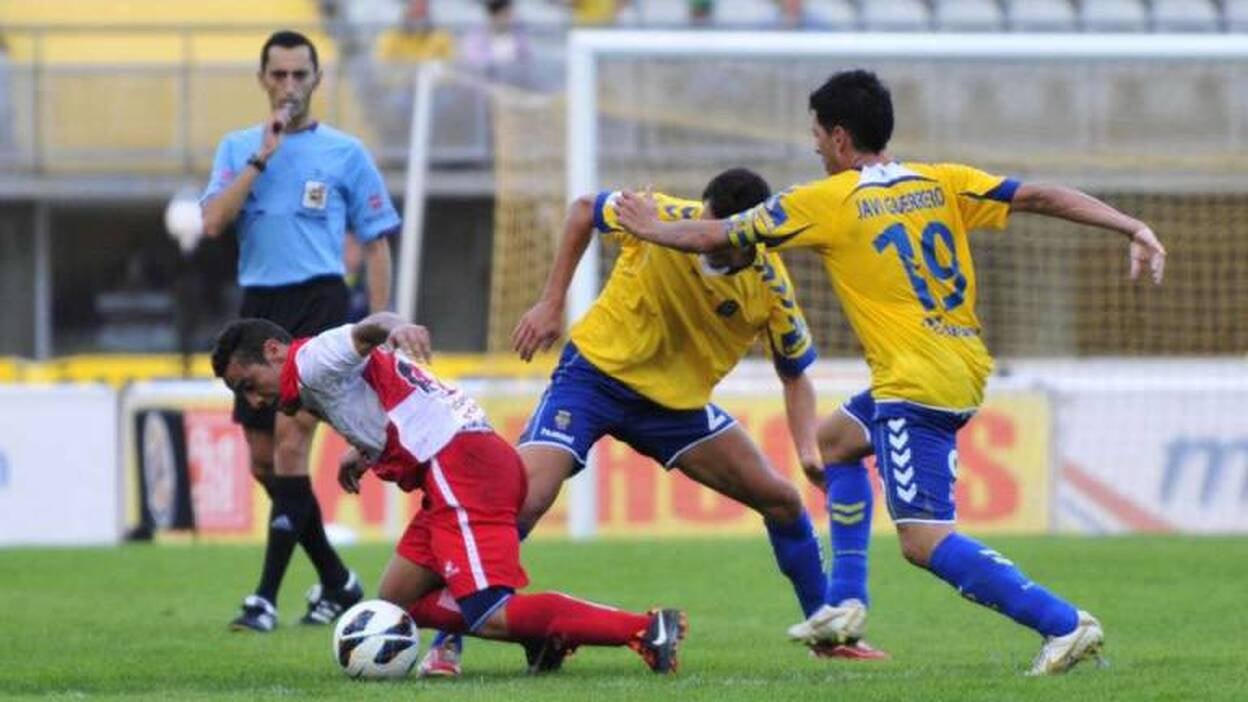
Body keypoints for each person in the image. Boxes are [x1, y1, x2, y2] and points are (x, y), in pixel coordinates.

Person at [614, 69, 1167, 675]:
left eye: (817, 136)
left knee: (922, 540)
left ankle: (1063, 623)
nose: (816, 148)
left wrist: (650, 227)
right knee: (832, 443)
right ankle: (846, 601)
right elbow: (1038, 196)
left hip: (915, 385)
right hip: (959, 364)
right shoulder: (941, 180)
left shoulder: (827, 200)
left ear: (840, 138)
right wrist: (1131, 225)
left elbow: (718, 233)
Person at [418, 168, 872, 677]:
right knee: (522, 499)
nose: (704, 240)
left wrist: (807, 448)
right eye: (704, 223)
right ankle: (447, 638)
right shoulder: (662, 215)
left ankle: (826, 634)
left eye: (719, 237)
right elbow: (583, 210)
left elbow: (795, 375)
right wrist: (551, 302)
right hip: (594, 380)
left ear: (748, 236)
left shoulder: (770, 287)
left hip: (675, 411)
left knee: (783, 500)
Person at [210, 314, 687, 675]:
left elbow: (370, 328)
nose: (253, 401)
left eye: (248, 385)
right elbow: (387, 394)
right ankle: (543, 637)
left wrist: (397, 326)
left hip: (462, 466)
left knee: (491, 612)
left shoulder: (310, 358)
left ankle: (645, 629)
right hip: (456, 466)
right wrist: (367, 449)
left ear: (274, 351)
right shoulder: (310, 379)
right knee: (397, 601)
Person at [200, 30, 399, 632]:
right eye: (279, 74)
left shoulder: (345, 153)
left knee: (291, 443)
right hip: (258, 304)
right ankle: (337, 582)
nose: (289, 85)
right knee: (265, 463)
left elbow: (377, 242)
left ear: (317, 79)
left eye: (299, 74)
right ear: (263, 79)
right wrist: (263, 156)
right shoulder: (239, 147)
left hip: (319, 299)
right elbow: (212, 222)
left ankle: (263, 599)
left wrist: (378, 329)